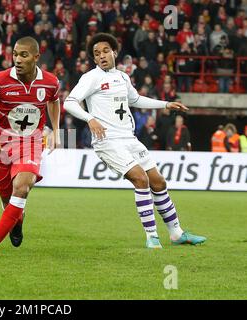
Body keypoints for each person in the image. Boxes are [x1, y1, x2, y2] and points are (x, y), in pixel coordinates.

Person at [64, 33, 206, 249]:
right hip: (107, 140)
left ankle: (177, 234)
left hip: (129, 139)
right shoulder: (91, 78)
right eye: (96, 54)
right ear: (94, 59)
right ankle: (152, 237)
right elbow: (70, 103)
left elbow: (136, 100)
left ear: (114, 52)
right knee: (141, 179)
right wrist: (89, 118)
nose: (101, 56)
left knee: (158, 182)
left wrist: (166, 104)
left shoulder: (122, 77)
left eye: (104, 51)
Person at [0, 36, 61, 258]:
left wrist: (56, 129)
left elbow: (54, 100)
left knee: (22, 187)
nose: (17, 59)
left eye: (23, 55)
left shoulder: (51, 82)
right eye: (15, 54)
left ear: (36, 57)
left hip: (31, 142)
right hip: (3, 144)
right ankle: (18, 218)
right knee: (8, 200)